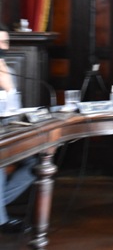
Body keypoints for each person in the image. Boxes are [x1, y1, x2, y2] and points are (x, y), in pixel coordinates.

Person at [0, 24, 36, 234]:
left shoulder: (9, 71)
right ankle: (1, 220)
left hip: (8, 132)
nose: (2, 47)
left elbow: (14, 112)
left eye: (5, 42)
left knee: (37, 161)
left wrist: (10, 88)